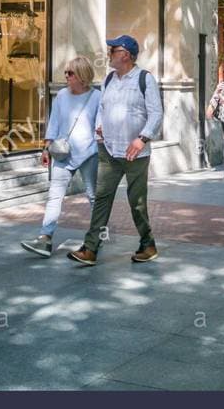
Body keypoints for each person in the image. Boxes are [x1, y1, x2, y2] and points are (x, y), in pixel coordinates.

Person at [67, 35, 163, 266]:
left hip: (135, 154)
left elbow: (156, 113)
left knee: (136, 202)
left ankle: (148, 244)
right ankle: (90, 249)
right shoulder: (109, 79)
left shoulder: (144, 79)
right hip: (109, 151)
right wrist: (99, 126)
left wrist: (142, 139)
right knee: (102, 198)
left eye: (113, 50)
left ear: (126, 55)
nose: (109, 53)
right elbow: (101, 107)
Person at [21, 56, 100, 258]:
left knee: (93, 197)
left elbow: (99, 127)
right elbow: (54, 123)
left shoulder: (96, 97)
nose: (66, 76)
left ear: (82, 76)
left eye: (70, 73)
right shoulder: (62, 95)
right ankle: (45, 238)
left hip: (88, 153)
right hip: (62, 154)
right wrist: (46, 148)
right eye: (66, 72)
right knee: (54, 196)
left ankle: (95, 239)